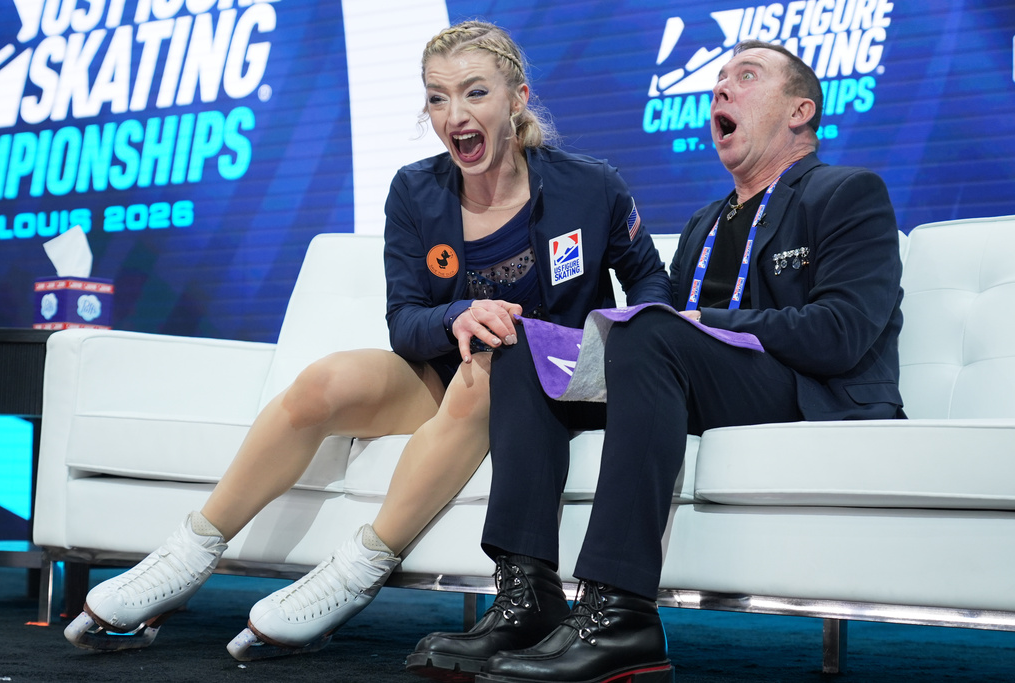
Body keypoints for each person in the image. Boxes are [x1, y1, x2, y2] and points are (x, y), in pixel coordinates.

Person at [63, 20, 671, 661]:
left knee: (490, 368)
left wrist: (613, 355)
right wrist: (457, 315)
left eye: (475, 92)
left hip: (553, 384)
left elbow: (650, 282)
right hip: (445, 378)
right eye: (437, 98)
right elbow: (404, 321)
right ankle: (184, 559)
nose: (455, 115)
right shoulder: (415, 189)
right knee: (326, 383)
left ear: (517, 99)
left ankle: (353, 574)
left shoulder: (590, 185)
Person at [407, 40, 905, 683]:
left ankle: (620, 613)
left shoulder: (847, 193)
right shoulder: (704, 223)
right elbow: (666, 334)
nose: (720, 88)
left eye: (746, 77)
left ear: (799, 111)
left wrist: (700, 325)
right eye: (718, 78)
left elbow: (840, 333)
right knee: (525, 349)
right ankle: (527, 600)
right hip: (697, 384)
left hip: (804, 391)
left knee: (649, 328)